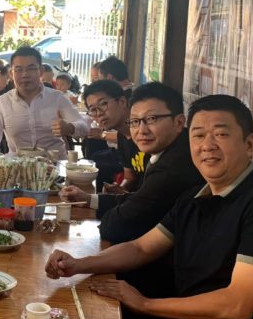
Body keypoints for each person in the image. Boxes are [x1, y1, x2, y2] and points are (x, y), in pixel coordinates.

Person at [46, 94, 253, 319]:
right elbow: (140, 248)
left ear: (249, 145)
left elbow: (237, 304)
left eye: (221, 134)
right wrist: (79, 264)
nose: (207, 145)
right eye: (198, 135)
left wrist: (145, 304)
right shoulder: (194, 198)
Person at [60, 82, 202, 244]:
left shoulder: (174, 164)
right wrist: (89, 199)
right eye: (135, 121)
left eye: (152, 119)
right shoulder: (162, 148)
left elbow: (119, 224)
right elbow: (140, 196)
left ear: (179, 122)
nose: (142, 130)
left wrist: (108, 215)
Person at [0, 46, 89, 159]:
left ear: (41, 71)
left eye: (31, 68)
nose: (25, 74)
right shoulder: (2, 103)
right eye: (18, 70)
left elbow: (84, 126)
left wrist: (70, 127)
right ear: (11, 74)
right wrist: (4, 164)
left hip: (55, 169)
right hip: (19, 169)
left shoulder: (57, 98)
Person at [84, 80, 147, 193]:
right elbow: (129, 178)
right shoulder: (122, 137)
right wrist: (119, 188)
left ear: (122, 101)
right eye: (93, 109)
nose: (99, 113)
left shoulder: (146, 136)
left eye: (103, 104)